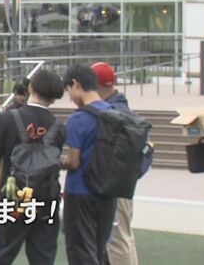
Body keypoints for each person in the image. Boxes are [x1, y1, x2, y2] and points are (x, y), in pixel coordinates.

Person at [0, 69, 66, 265]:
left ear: (30, 87)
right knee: (43, 258)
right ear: (54, 97)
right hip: (46, 199)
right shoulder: (58, 127)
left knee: (0, 254)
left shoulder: (9, 119)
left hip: (13, 198)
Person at [60, 64, 116, 265]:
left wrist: (55, 160)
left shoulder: (78, 119)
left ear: (75, 84)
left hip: (80, 191)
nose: (70, 97)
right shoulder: (113, 113)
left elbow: (73, 162)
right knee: (99, 249)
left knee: (80, 251)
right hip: (107, 192)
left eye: (69, 90)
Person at [90, 62, 140, 265]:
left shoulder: (113, 113)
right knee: (123, 237)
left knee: (117, 239)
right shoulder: (122, 109)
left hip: (114, 185)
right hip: (123, 182)